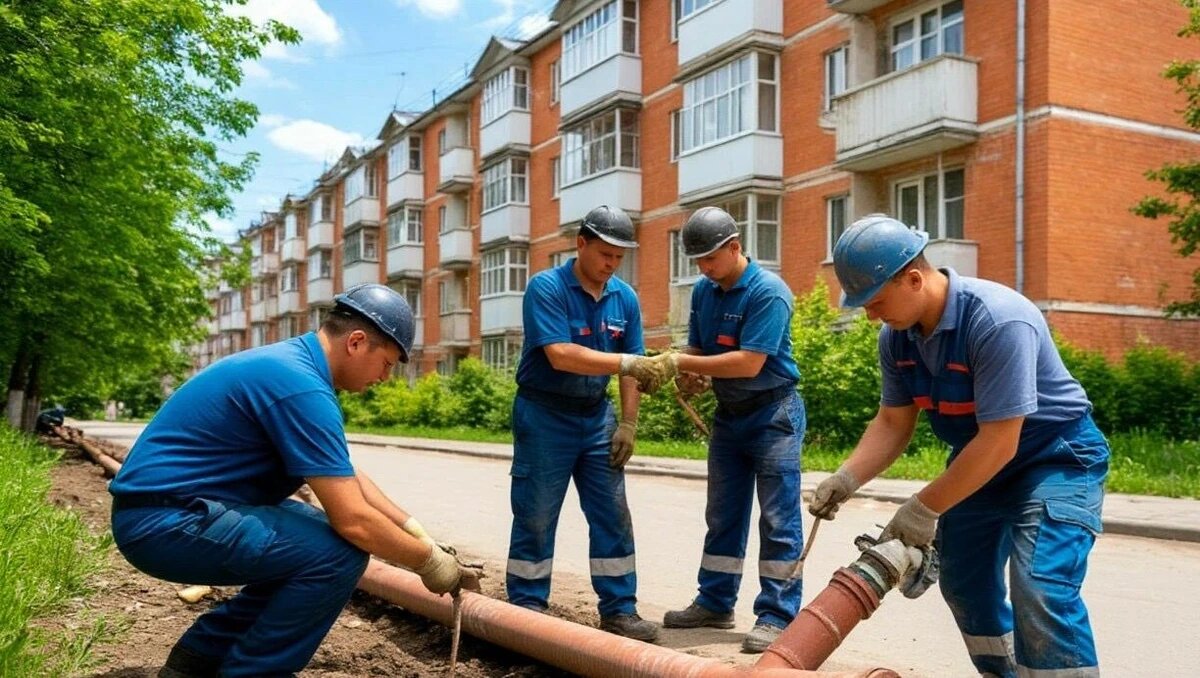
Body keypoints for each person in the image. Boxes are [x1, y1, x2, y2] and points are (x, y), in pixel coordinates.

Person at [109, 284, 480, 678]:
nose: (385, 378)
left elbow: (348, 476)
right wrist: (428, 563)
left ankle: (199, 659)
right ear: (356, 342)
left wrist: (415, 531)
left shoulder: (294, 368)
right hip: (164, 522)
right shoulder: (301, 387)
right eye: (387, 363)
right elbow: (353, 519)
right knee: (336, 553)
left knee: (312, 536)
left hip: (175, 510)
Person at [813, 214, 1109, 677]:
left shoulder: (996, 319)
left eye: (875, 301)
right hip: (981, 463)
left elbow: (999, 441)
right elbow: (893, 422)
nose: (870, 315)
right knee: (966, 585)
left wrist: (922, 509)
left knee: (1042, 586)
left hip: (1057, 458)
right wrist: (847, 477)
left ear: (913, 278)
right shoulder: (897, 339)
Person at [505, 205, 666, 643]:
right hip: (544, 415)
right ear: (581, 245)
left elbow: (631, 370)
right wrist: (628, 360)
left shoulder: (624, 298)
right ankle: (527, 608)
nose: (611, 265)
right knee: (537, 513)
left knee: (612, 513)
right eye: (605, 255)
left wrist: (628, 424)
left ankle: (620, 609)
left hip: (596, 417)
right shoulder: (547, 288)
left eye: (619, 257)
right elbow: (560, 354)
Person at [654, 206, 807, 654]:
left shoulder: (768, 292)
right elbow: (700, 348)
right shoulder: (706, 291)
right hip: (730, 416)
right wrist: (690, 374)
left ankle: (778, 615)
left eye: (709, 259)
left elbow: (749, 362)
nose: (703, 269)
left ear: (735, 248)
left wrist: (680, 361)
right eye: (697, 261)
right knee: (722, 515)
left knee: (779, 520)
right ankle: (715, 602)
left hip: (773, 415)